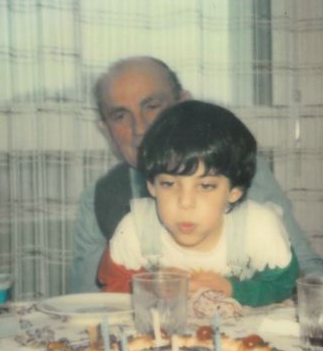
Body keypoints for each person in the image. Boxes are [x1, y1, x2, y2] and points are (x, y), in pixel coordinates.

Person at [69, 56, 323, 294]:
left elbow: (303, 267)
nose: (141, 128)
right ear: (106, 128)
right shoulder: (99, 198)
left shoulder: (230, 169)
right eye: (120, 115)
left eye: (152, 106)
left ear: (185, 104)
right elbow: (88, 299)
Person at [98, 100, 299, 306]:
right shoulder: (136, 229)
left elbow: (283, 286)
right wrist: (149, 287)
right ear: (151, 185)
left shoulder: (258, 228)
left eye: (206, 186)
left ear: (235, 191)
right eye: (169, 183)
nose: (185, 203)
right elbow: (112, 286)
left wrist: (234, 289)